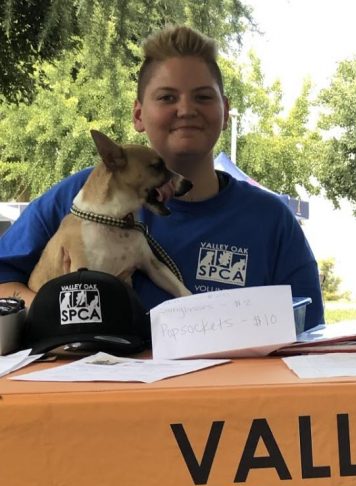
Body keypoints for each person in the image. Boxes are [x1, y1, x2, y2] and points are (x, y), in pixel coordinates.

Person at [0, 25, 324, 329]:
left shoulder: (271, 220)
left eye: (203, 96)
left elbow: (307, 334)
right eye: (167, 97)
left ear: (225, 111)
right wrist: (58, 314)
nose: (186, 109)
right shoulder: (77, 198)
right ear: (139, 114)